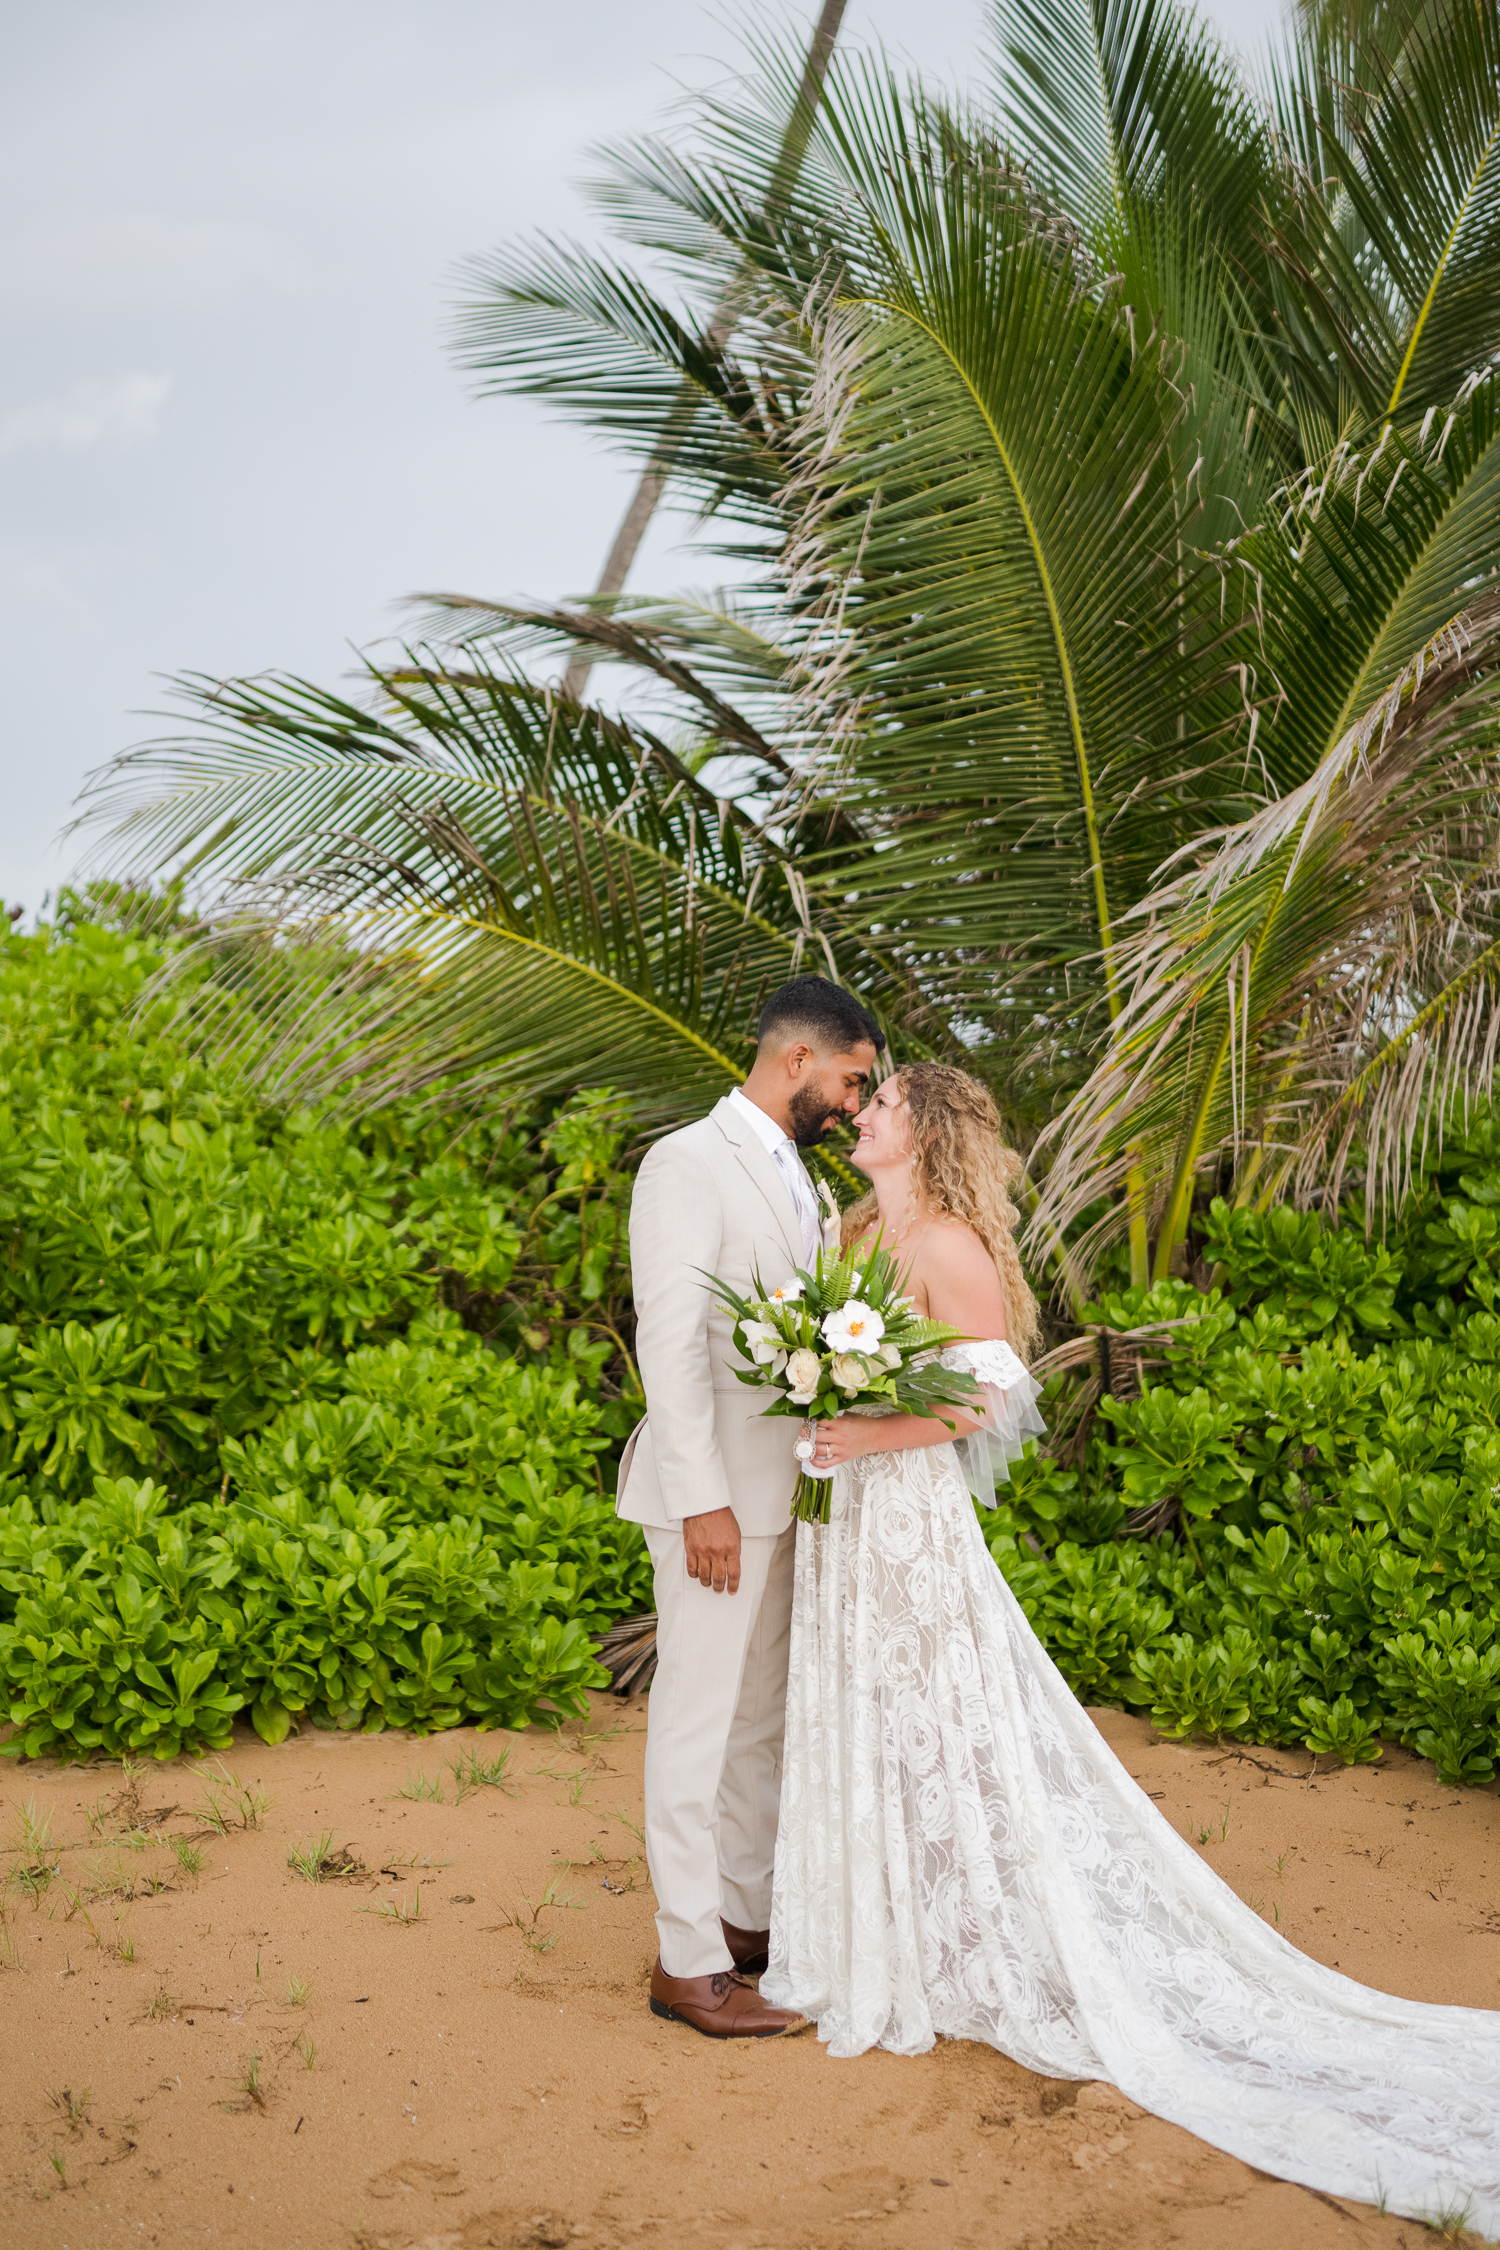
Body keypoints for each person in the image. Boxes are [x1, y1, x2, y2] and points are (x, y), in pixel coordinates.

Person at [759, 1059, 1500, 2233]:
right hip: (845, 1516)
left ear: (930, 1128)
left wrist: (861, 1429)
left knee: (933, 1711)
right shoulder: (853, 1236)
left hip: (903, 1519)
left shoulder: (947, 1247)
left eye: (886, 1102)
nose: (863, 1113)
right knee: (864, 1712)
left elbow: (978, 1406)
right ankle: (884, 1927)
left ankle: (963, 1939)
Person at [616, 974, 883, 2039]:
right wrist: (702, 1504)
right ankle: (686, 1963)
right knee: (696, 1721)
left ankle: (744, 1922)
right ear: (798, 1062)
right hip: (715, 1506)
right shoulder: (687, 1161)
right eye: (854, 1081)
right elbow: (670, 1343)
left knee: (760, 1722)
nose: (858, 1104)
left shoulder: (806, 1186)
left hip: (785, 1502)